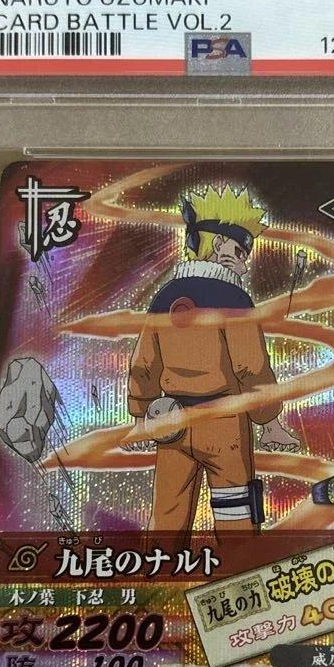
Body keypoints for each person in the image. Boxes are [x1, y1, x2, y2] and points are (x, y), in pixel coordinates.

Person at [126, 186, 299, 552]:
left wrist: (141, 415)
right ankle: (241, 581)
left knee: (166, 519)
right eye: (239, 251)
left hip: (170, 421)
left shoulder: (164, 297)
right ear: (218, 244)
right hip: (224, 425)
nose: (244, 264)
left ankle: (156, 578)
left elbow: (144, 363)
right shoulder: (234, 299)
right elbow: (251, 367)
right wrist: (269, 422)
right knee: (236, 517)